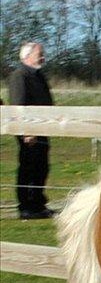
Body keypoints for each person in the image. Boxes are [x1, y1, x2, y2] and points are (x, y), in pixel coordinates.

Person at [7, 42, 54, 219]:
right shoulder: (19, 76)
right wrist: (25, 131)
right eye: (39, 54)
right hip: (28, 131)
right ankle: (25, 207)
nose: (43, 57)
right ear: (27, 57)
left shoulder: (39, 76)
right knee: (28, 168)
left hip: (43, 129)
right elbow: (18, 105)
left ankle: (38, 205)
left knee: (42, 167)